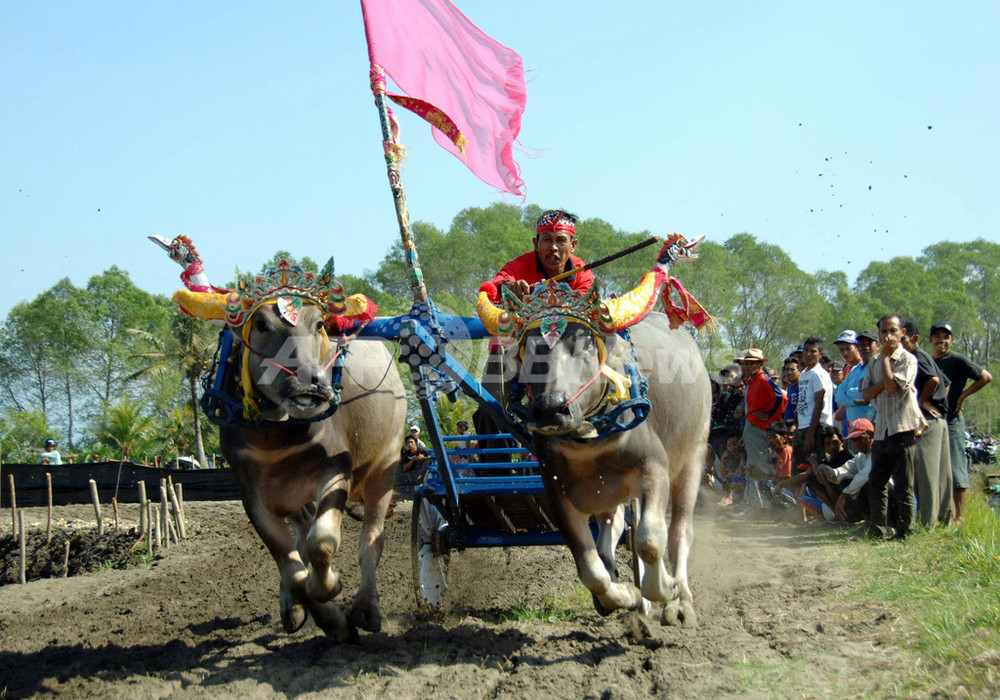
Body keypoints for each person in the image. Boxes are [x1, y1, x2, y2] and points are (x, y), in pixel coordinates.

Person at [860, 314, 926, 540]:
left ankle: (905, 531)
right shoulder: (874, 362)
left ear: (902, 333)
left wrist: (886, 359)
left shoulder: (908, 360)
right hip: (882, 430)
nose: (888, 335)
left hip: (903, 428)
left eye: (892, 331)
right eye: (884, 331)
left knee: (903, 485)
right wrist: (881, 377)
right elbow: (865, 394)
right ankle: (878, 529)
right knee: (876, 482)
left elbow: (890, 388)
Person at [930, 322, 993, 524]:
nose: (942, 340)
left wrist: (962, 396)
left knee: (957, 469)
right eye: (937, 336)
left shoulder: (956, 359)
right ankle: (940, 516)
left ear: (952, 340)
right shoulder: (929, 362)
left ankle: (960, 517)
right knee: (936, 471)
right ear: (930, 340)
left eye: (946, 337)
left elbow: (985, 377)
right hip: (933, 421)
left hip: (952, 422)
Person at [478, 209, 595, 304]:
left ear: (573, 245)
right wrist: (509, 287)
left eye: (560, 240)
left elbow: (588, 303)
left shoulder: (582, 273)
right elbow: (493, 286)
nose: (553, 247)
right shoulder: (521, 265)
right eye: (547, 239)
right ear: (536, 244)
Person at [901, 320, 953, 526]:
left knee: (926, 475)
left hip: (928, 422)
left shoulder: (916, 357)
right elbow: (946, 382)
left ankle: (928, 524)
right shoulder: (923, 357)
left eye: (902, 339)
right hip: (937, 419)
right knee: (941, 475)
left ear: (914, 339)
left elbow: (935, 380)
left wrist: (922, 402)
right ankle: (943, 520)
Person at [735, 349, 786, 509]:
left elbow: (780, 397)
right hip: (752, 426)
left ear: (760, 364)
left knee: (758, 465)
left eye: (752, 363)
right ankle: (755, 503)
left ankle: (761, 505)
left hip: (759, 426)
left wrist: (769, 415)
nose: (748, 366)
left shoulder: (763, 380)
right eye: (746, 363)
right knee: (753, 464)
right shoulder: (752, 381)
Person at [817, 418, 876, 523]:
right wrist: (825, 470)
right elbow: (843, 470)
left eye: (860, 439)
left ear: (871, 435)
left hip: (889, 500)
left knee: (866, 485)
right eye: (854, 440)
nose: (856, 443)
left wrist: (844, 495)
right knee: (848, 483)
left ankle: (880, 523)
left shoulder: (877, 453)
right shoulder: (860, 457)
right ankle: (868, 521)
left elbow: (864, 476)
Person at [796, 338, 834, 461]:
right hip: (804, 425)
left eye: (813, 351)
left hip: (817, 426)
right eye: (806, 351)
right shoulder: (804, 373)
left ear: (820, 354)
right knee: (799, 466)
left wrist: (811, 434)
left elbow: (819, 404)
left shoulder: (818, 374)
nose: (808, 354)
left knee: (816, 465)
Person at [835, 330, 876, 441]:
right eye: (841, 350)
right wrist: (853, 400)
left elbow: (864, 393)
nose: (845, 353)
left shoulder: (874, 366)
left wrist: (847, 391)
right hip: (851, 427)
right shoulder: (852, 369)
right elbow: (839, 396)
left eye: (848, 348)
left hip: (868, 426)